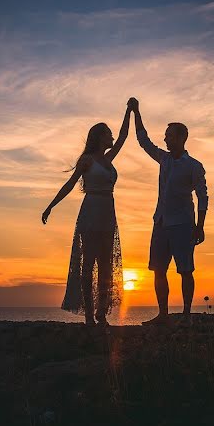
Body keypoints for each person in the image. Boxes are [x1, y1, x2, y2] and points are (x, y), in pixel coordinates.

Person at [42, 102, 133, 325]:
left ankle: (102, 313)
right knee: (88, 263)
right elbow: (70, 183)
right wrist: (51, 205)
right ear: (100, 137)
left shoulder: (108, 159)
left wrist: (129, 111)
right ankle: (90, 315)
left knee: (106, 265)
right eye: (108, 134)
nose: (112, 137)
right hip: (91, 210)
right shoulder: (87, 160)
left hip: (108, 212)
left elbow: (123, 137)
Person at [128, 97, 208, 325]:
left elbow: (203, 196)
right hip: (161, 222)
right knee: (158, 270)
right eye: (165, 135)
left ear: (181, 138)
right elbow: (144, 141)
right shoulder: (163, 159)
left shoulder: (194, 166)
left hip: (183, 224)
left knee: (185, 270)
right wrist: (136, 112)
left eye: (169, 135)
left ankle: (186, 315)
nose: (165, 138)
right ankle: (163, 315)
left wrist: (200, 226)